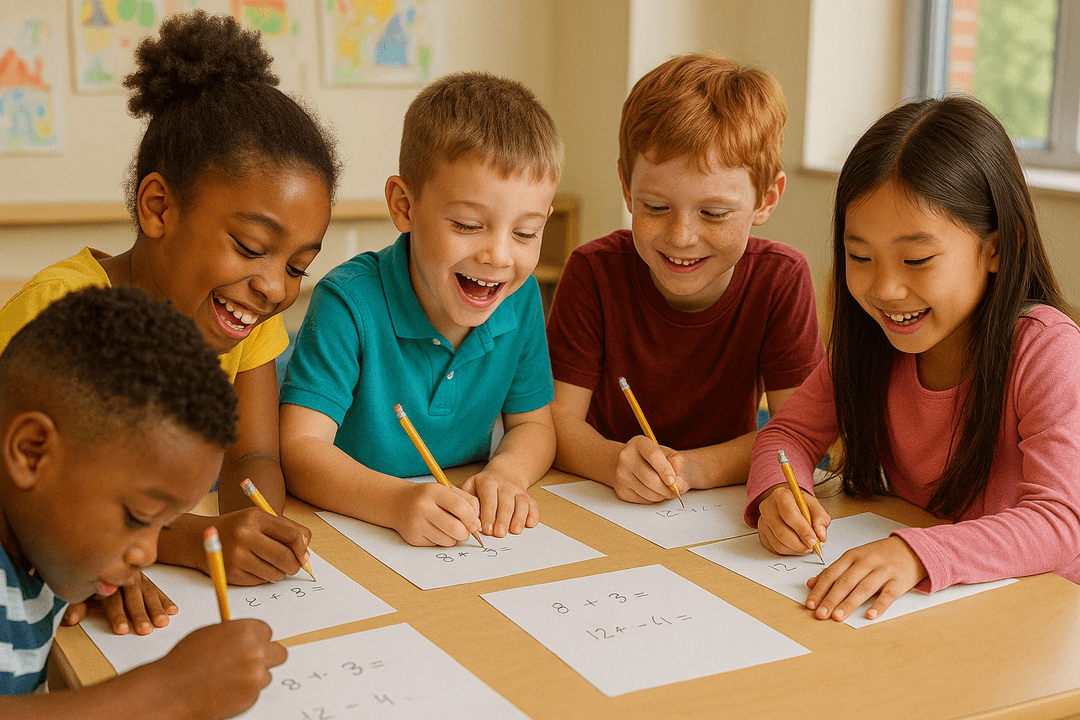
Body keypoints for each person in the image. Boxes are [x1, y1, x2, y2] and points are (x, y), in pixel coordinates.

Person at [0, 10, 339, 635]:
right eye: (250, 247)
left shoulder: (243, 318)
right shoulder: (64, 311)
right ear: (158, 208)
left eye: (298, 266)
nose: (274, 287)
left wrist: (256, 526)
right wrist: (172, 543)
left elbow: (252, 452)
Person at [746, 95, 1080, 622]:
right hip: (931, 611)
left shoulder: (1045, 348)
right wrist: (778, 493)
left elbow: (1059, 522)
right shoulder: (871, 342)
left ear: (997, 247)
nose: (885, 288)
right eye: (860, 256)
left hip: (1035, 617)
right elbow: (786, 434)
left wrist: (915, 553)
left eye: (917, 259)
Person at [280, 71, 561, 546]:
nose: (498, 256)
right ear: (404, 206)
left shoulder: (521, 297)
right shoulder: (347, 302)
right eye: (468, 225)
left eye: (525, 233)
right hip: (351, 532)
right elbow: (299, 448)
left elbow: (534, 425)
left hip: (454, 530)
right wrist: (395, 503)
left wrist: (508, 473)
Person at [546, 54, 823, 503]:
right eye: (656, 207)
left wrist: (693, 468)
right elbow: (556, 421)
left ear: (766, 199)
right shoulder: (593, 272)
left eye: (713, 213)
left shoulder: (781, 279)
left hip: (721, 502)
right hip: (602, 497)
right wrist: (612, 462)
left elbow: (799, 432)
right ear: (626, 187)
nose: (681, 236)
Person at [0, 286, 285, 716]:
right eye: (137, 517)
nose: (147, 554)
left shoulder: (37, 542)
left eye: (163, 524)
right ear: (32, 451)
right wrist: (170, 692)